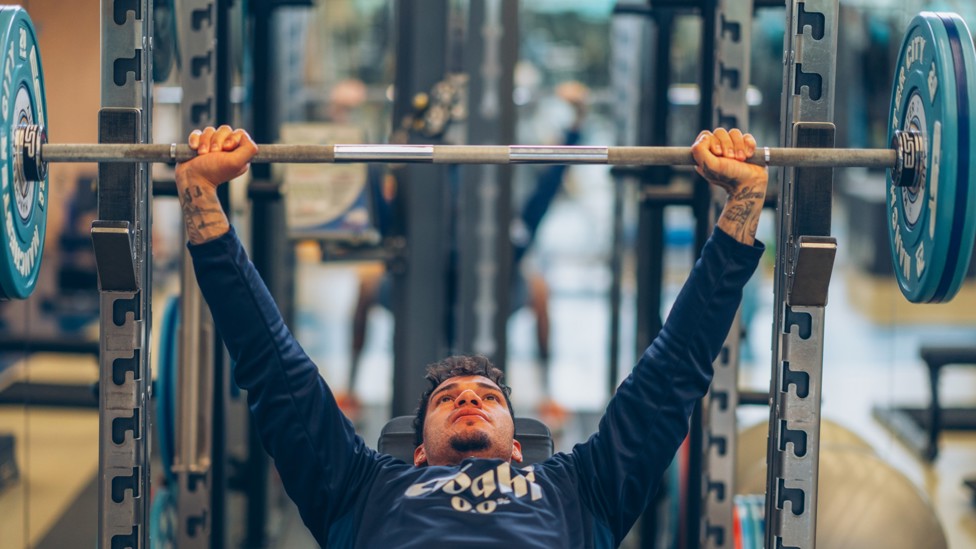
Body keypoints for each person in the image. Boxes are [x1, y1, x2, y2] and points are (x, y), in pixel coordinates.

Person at [176, 125, 767, 547]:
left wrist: (745, 200)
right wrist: (200, 194)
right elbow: (273, 368)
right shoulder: (363, 488)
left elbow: (673, 373)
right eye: (448, 398)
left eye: (488, 397)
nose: (468, 398)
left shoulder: (580, 489)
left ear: (518, 447)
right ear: (415, 451)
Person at [343, 81, 590, 425]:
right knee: (366, 286)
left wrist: (575, 124)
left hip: (492, 281)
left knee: (540, 292)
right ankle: (350, 390)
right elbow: (377, 195)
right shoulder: (423, 188)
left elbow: (548, 186)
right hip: (423, 277)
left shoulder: (500, 209)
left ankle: (549, 394)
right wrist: (350, 118)